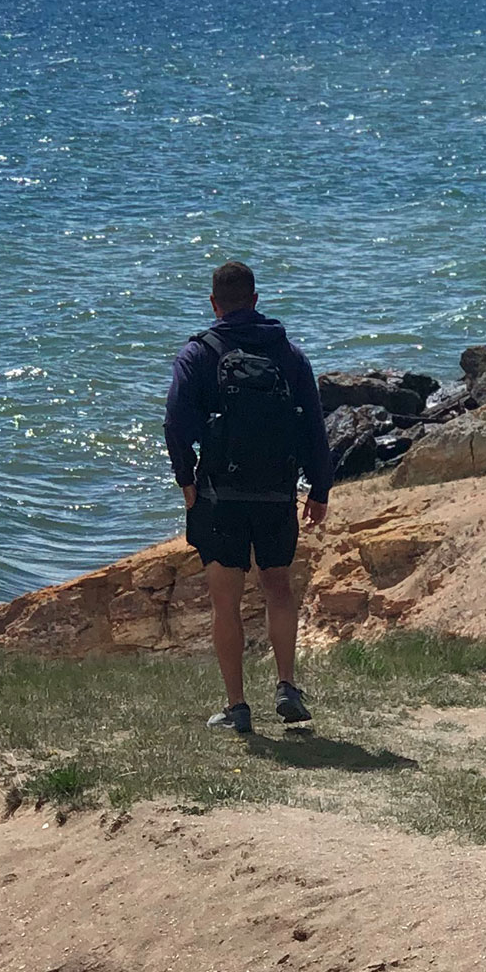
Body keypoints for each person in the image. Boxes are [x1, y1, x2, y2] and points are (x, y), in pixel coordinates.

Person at [164, 260, 335, 734]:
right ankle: (286, 686)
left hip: (220, 490)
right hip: (277, 490)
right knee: (277, 587)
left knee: (226, 600)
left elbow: (175, 423)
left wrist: (186, 480)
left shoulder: (198, 354)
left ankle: (237, 707)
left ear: (214, 304)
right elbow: (313, 427)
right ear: (256, 300)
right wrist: (319, 487)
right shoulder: (290, 354)